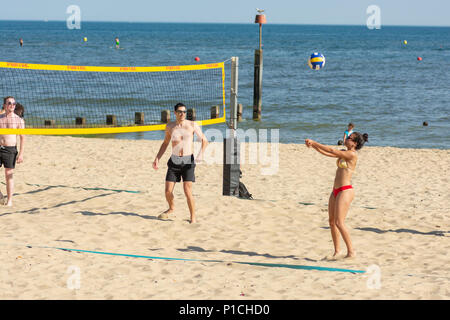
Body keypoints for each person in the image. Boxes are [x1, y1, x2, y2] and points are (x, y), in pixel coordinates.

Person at [305, 131, 368, 259]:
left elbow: (332, 150)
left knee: (340, 222)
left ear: (354, 143)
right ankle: (337, 251)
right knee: (332, 222)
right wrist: (313, 146)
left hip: (346, 190)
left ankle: (351, 252)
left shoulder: (351, 154)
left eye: (350, 138)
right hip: (335, 190)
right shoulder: (344, 151)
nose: (346, 138)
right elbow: (327, 153)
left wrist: (315, 142)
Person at [152, 103, 208, 223]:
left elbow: (205, 140)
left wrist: (201, 154)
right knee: (167, 191)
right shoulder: (170, 126)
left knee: (187, 191)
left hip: (188, 161)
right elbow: (165, 143)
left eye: (184, 111)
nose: (182, 113)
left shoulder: (192, 125)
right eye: (180, 111)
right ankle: (171, 208)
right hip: (174, 161)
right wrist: (157, 158)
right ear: (175, 113)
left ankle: (193, 217)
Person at [0, 96, 25, 206]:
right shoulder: (0, 117)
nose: (12, 105)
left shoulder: (19, 120)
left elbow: (22, 137)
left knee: (8, 174)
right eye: (9, 103)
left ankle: (9, 200)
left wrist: (21, 154)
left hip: (10, 149)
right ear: (5, 105)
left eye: (14, 103)